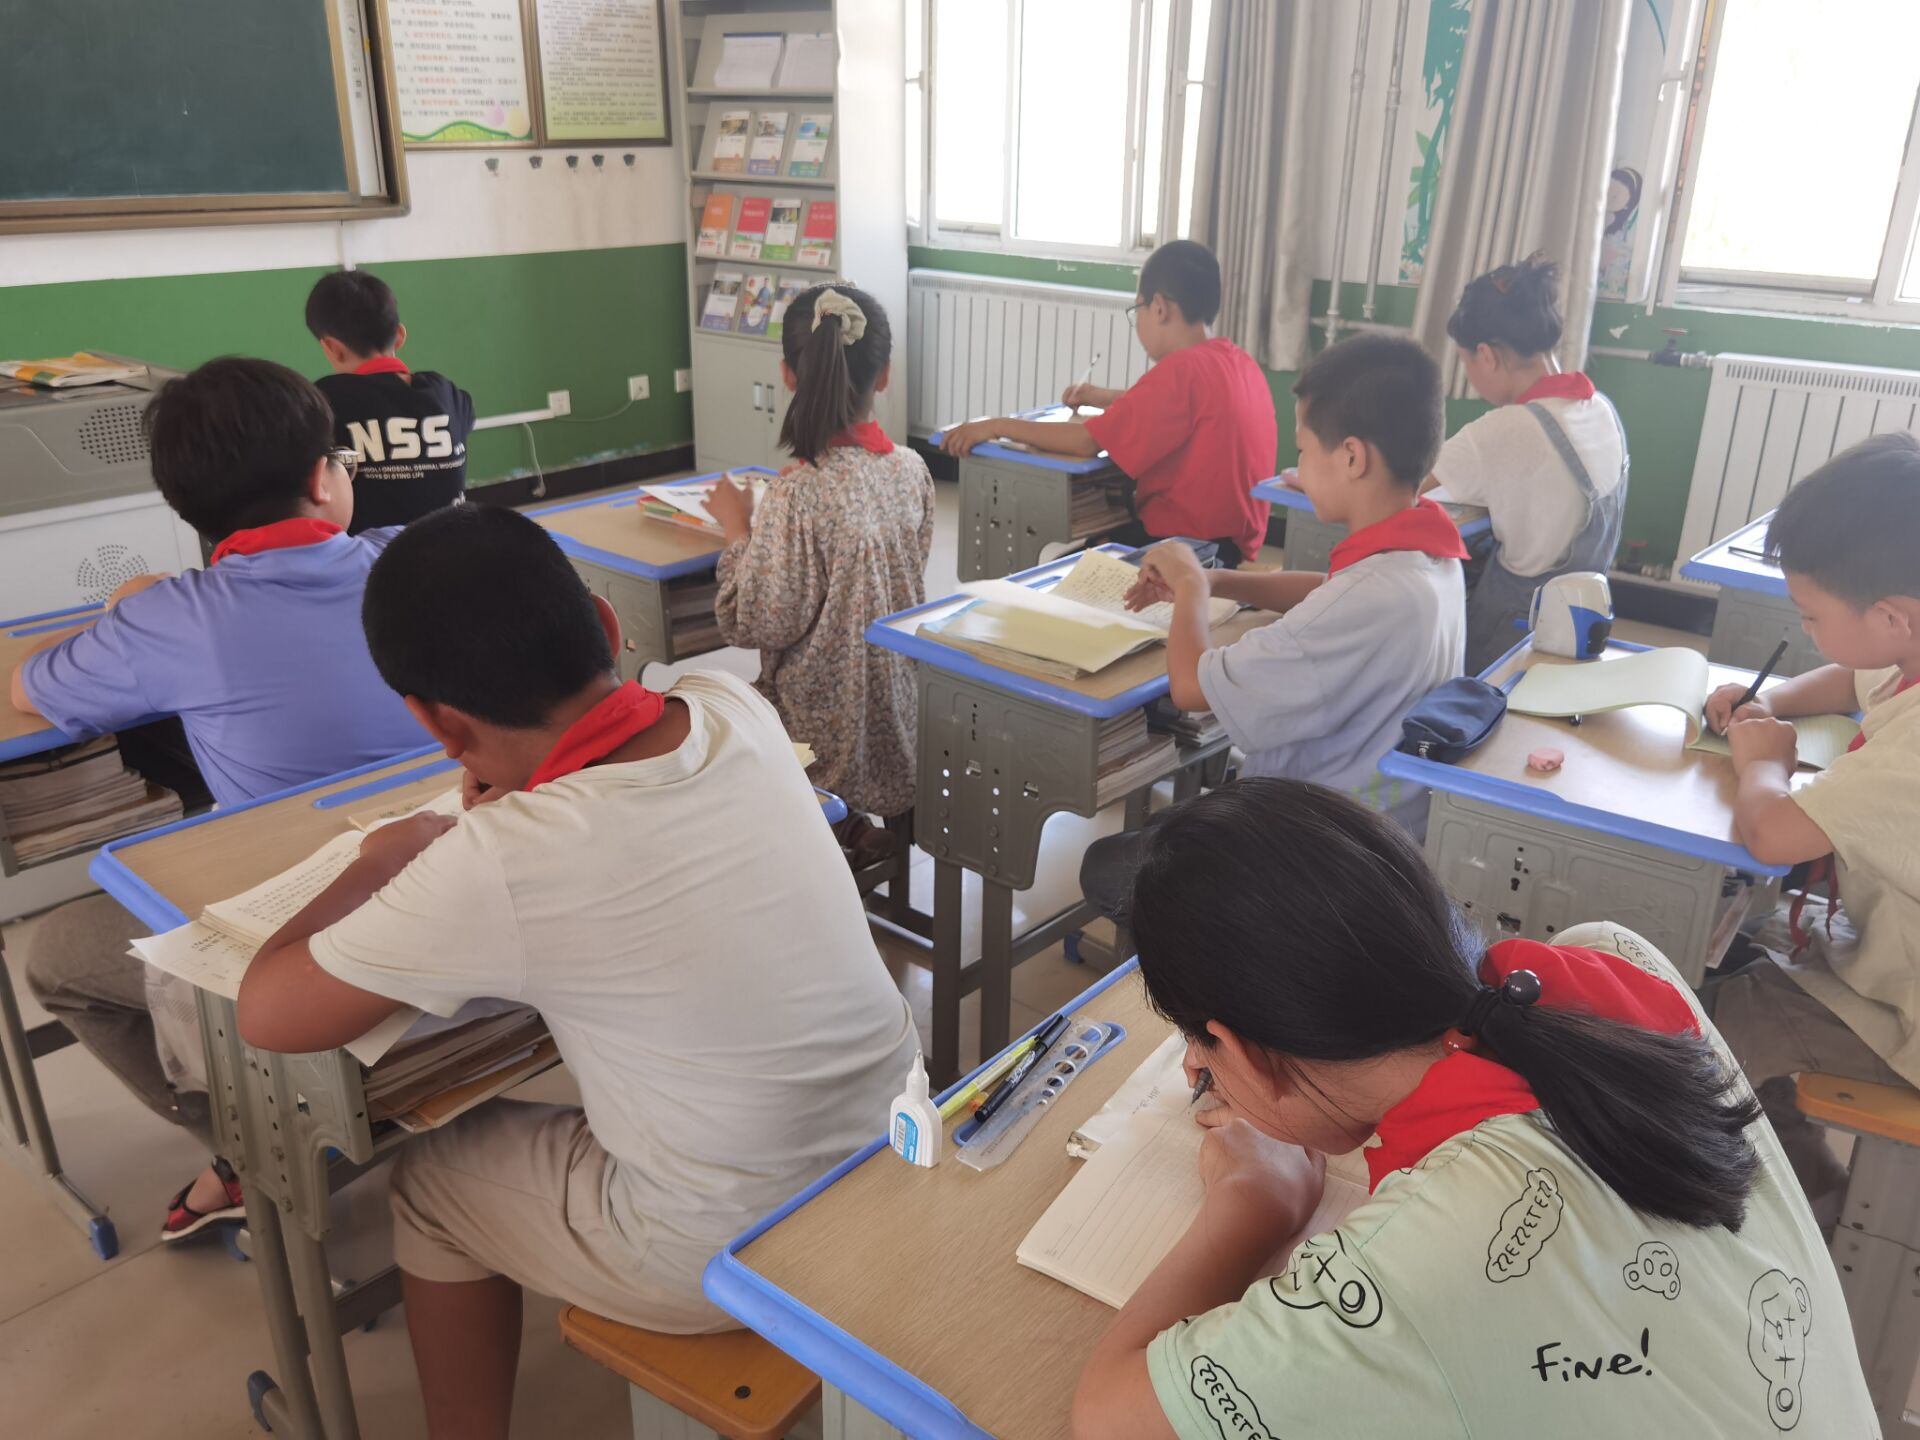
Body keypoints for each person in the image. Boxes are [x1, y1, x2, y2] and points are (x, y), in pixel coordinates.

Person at [236, 505, 918, 1439]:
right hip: (892, 1145)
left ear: (434, 722)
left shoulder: (503, 858)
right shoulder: (734, 708)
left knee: (430, 1183)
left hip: (733, 1246)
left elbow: (268, 1012)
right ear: (605, 624)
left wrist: (381, 860)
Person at [1070, 780, 1874, 1439]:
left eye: (1202, 1052)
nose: (1198, 1069)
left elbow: (1108, 1421)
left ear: (1240, 1053)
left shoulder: (1423, 1257)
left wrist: (1253, 1202)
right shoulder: (1617, 962)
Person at [9, 357, 428, 1239]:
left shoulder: (170, 619)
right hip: (444, 895)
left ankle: (254, 1149)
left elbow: (28, 690)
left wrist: (127, 608)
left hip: (302, 946)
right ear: (323, 477)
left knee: (52, 959)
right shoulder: (413, 562)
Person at [1079, 335, 1465, 919]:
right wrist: (1218, 580)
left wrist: (1189, 587)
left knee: (1106, 865)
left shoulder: (1369, 597)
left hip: (1315, 854)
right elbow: (1331, 589)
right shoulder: (1431, 555)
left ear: (1353, 457)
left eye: (1304, 450)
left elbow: (1190, 687)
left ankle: (1210, 963)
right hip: (1379, 836)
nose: (1298, 467)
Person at [1703, 432, 1920, 1215]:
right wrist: (1771, 700)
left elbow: (1773, 835)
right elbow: (1854, 675)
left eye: (1812, 616)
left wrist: (1763, 763)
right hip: (1886, 953)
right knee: (1740, 954)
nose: (1808, 630)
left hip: (1907, 1016)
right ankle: (1810, 1185)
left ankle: (1779, 1216)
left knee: (1719, 1018)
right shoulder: (1907, 642)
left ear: (1890, 616)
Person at [708, 284, 933, 857]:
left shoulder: (798, 494)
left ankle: (827, 823)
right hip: (900, 714)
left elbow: (757, 622)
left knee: (711, 717)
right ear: (884, 376)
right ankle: (849, 826)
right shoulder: (913, 470)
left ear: (788, 376)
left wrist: (737, 528)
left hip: (820, 729)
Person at [938, 240, 1275, 569]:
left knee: (1058, 570)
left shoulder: (1181, 371)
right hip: (1227, 548)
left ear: (1159, 307)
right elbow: (1177, 408)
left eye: (1137, 310)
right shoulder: (1237, 362)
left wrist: (996, 425)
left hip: (1183, 549)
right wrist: (1100, 396)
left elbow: (1085, 442)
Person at [1424, 255, 1629, 673]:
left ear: (1486, 355)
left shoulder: (1505, 429)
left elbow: (1398, 484)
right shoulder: (1599, 409)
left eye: (1465, 361)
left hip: (1511, 628)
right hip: (1580, 622)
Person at [306, 268, 475, 533]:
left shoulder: (323, 401)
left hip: (373, 557)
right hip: (456, 544)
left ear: (332, 347)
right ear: (399, 335)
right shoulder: (448, 394)